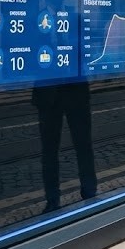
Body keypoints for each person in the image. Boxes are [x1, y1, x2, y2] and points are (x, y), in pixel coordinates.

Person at [32, 79, 97, 213]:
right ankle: (53, 199)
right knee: (51, 151)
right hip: (52, 93)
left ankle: (89, 192)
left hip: (71, 90)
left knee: (82, 146)